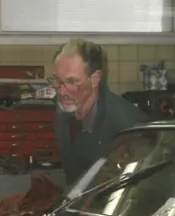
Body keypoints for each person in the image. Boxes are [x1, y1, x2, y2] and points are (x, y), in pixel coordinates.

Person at [50, 39, 148, 186]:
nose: (62, 91)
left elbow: (138, 190)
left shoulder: (129, 127)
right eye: (58, 81)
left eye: (72, 82)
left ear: (94, 79)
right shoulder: (65, 112)